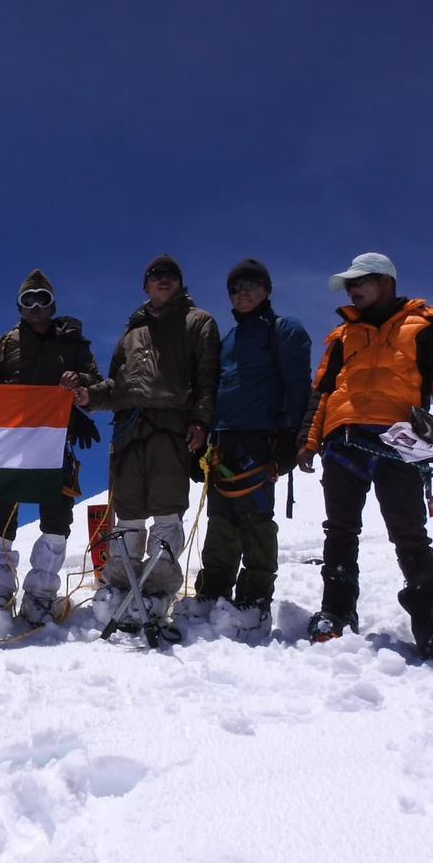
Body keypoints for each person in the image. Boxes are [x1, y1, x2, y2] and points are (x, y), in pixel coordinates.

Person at [296, 252, 433, 658]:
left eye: (360, 282)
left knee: (408, 533)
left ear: (386, 281)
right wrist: (308, 439)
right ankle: (336, 613)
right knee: (339, 531)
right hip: (344, 441)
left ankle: (432, 623)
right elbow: (322, 392)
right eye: (349, 285)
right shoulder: (341, 337)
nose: (353, 290)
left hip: (398, 442)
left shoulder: (427, 324)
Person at [75, 254, 220, 639]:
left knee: (167, 514)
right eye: (156, 275)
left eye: (171, 275)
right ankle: (121, 589)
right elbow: (116, 387)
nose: (163, 280)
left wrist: (201, 421)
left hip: (171, 426)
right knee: (130, 518)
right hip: (129, 430)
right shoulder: (131, 332)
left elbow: (207, 379)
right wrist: (88, 397)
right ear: (146, 285)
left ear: (180, 283)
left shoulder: (197, 322)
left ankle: (155, 594)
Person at [187, 259, 310, 635]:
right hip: (224, 439)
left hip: (262, 439)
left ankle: (255, 598)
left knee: (255, 521)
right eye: (237, 287)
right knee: (221, 520)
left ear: (267, 290)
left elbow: (298, 386)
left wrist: (292, 438)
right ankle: (213, 590)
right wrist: (204, 442)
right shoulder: (229, 340)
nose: (244, 292)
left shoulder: (283, 330)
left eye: (252, 285)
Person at [0, 269, 102, 625]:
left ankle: (40, 594)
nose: (35, 306)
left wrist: (79, 384)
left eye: (42, 299)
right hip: (9, 445)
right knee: (0, 519)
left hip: (55, 444)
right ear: (19, 307)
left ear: (53, 305)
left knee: (57, 520)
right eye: (27, 300)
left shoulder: (75, 346)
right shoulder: (5, 343)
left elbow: (96, 386)